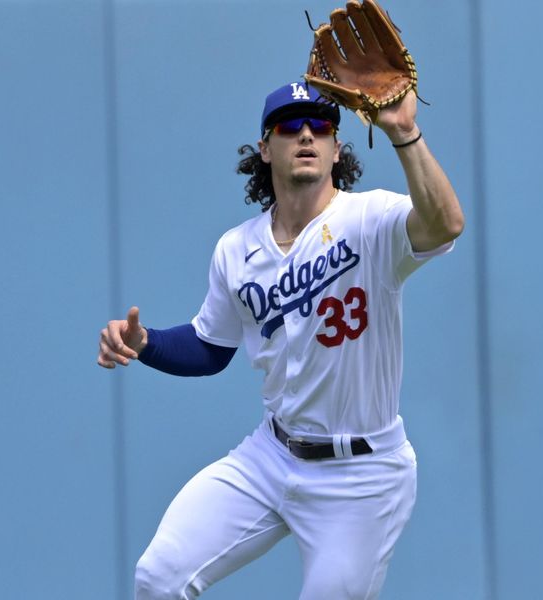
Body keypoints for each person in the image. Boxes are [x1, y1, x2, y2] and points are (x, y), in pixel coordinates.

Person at [97, 80, 465, 600]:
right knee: (157, 578)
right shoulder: (237, 248)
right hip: (272, 456)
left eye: (322, 126)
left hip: (362, 478)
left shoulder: (371, 220)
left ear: (338, 149)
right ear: (266, 148)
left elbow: (446, 224)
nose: (307, 135)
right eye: (291, 126)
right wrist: (146, 342)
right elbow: (210, 347)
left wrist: (405, 132)